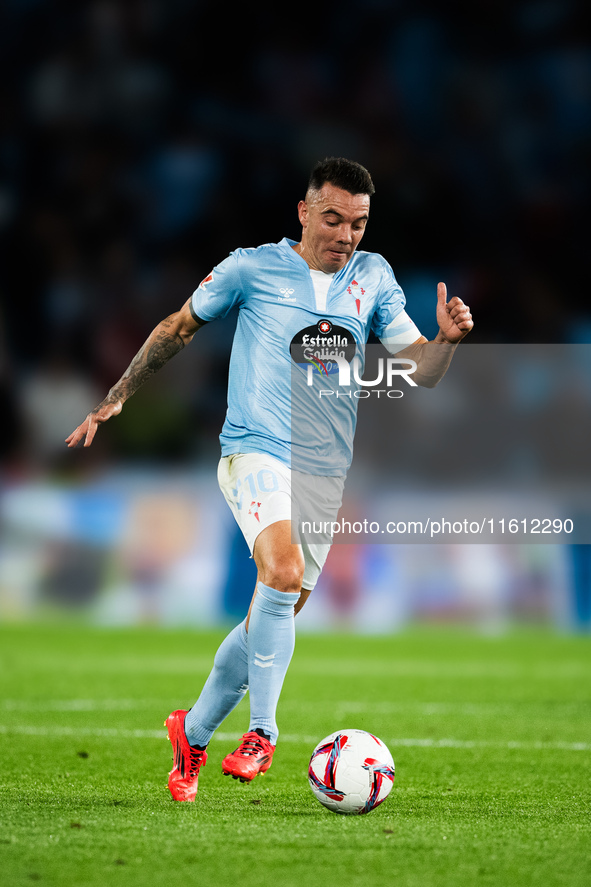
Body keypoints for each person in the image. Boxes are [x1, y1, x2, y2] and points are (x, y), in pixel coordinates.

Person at [66, 157, 473, 801]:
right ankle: (263, 732)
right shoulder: (250, 267)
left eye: (359, 224)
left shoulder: (374, 277)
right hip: (255, 450)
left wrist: (446, 341)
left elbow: (419, 369)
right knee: (280, 574)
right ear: (305, 212)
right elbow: (177, 328)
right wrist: (117, 395)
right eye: (334, 219)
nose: (346, 236)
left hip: (323, 472)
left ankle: (192, 734)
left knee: (273, 612)